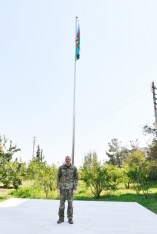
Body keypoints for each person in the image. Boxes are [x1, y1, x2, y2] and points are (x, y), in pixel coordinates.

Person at [57, 156, 78, 224]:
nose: (67, 160)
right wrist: (58, 187)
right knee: (61, 204)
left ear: (70, 160)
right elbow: (58, 178)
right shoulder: (61, 168)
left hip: (70, 189)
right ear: (65, 160)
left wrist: (75, 188)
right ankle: (61, 218)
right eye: (66, 159)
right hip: (62, 189)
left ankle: (70, 218)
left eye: (68, 159)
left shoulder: (74, 168)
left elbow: (76, 179)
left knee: (70, 204)